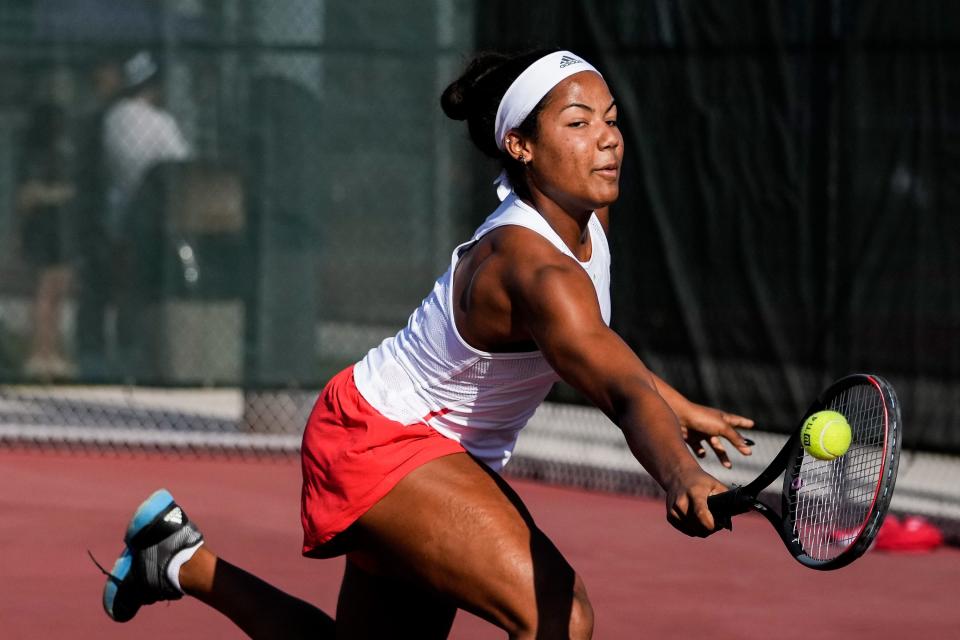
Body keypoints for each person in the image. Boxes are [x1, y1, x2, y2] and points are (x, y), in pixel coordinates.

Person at [94, 49, 754, 639]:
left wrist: (676, 406)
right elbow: (618, 386)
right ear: (520, 146)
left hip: (437, 454)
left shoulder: (587, 211)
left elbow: (596, 346)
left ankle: (177, 557)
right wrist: (678, 471)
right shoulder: (532, 266)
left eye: (609, 119)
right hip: (380, 440)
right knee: (559, 615)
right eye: (578, 124)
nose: (606, 140)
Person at [101, 50, 190, 375]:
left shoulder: (114, 116)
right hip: (153, 217)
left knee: (125, 288)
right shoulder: (159, 122)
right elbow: (180, 162)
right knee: (154, 288)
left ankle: (124, 354)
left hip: (119, 214)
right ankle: (149, 357)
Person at [16, 102, 77, 379]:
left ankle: (52, 350)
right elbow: (28, 196)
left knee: (58, 289)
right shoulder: (34, 156)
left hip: (60, 229)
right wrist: (58, 195)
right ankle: (38, 353)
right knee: (44, 291)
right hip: (43, 229)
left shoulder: (63, 153)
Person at [73, 57, 123, 378]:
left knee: (117, 288)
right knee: (92, 289)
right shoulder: (93, 121)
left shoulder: (115, 117)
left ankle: (117, 356)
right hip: (94, 220)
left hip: (113, 219)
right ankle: (91, 357)